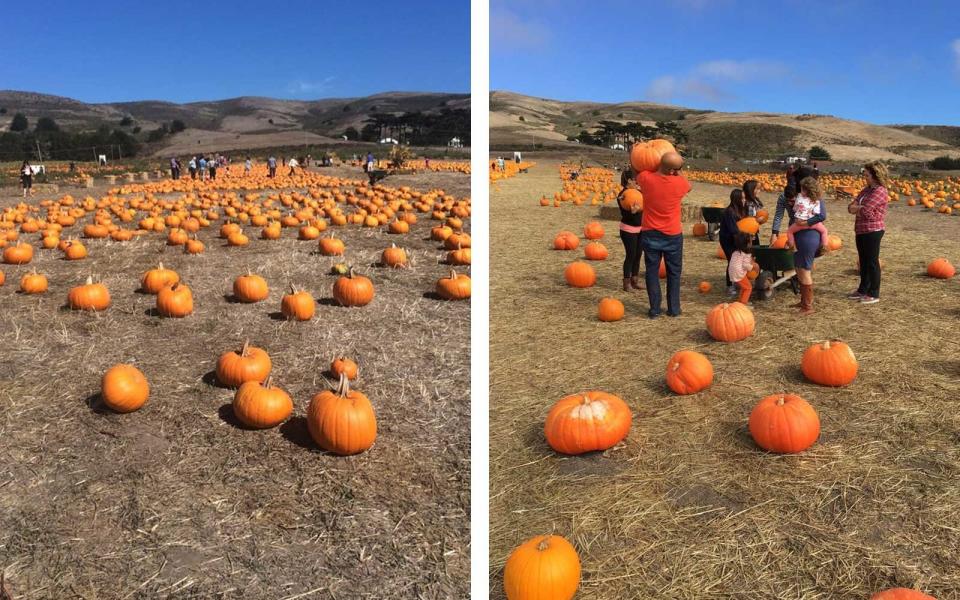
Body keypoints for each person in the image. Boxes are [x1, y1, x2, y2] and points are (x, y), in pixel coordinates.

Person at [638, 151, 691, 318]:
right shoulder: (680, 183)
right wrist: (677, 171)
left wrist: (658, 163)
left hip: (650, 233)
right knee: (674, 273)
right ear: (673, 170)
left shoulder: (646, 178)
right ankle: (673, 309)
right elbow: (688, 185)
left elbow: (637, 166)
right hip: (672, 235)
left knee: (652, 272)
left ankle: (654, 310)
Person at [847, 161, 889, 305]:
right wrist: (858, 207)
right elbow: (851, 207)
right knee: (863, 261)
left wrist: (858, 208)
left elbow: (866, 211)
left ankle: (874, 293)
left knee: (872, 262)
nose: (865, 177)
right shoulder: (866, 190)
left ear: (875, 175)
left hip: (873, 230)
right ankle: (862, 289)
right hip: (861, 229)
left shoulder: (880, 191)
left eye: (867, 175)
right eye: (864, 174)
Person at [791, 176, 827, 315]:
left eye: (802, 188)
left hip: (808, 238)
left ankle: (808, 306)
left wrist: (806, 223)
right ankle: (803, 300)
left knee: (805, 270)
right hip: (800, 237)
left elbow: (822, 216)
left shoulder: (818, 202)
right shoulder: (802, 199)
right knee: (799, 268)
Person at [616, 167, 644, 292]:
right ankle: (626, 283)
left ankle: (634, 281)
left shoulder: (638, 193)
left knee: (638, 255)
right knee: (631, 255)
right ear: (628, 180)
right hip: (628, 229)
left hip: (640, 229)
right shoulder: (623, 195)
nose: (637, 182)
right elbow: (625, 215)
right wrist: (632, 212)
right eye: (634, 180)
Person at [719, 189, 748, 296]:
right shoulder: (729, 212)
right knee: (732, 261)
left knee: (737, 261)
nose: (745, 200)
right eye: (742, 198)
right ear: (737, 199)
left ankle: (736, 282)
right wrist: (744, 236)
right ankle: (729, 286)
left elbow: (745, 224)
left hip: (737, 239)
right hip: (728, 240)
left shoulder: (742, 210)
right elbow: (733, 230)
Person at [786, 182, 828, 251]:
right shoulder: (816, 200)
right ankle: (824, 245)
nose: (800, 191)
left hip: (800, 223)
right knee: (824, 231)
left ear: (805, 191)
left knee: (789, 231)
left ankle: (791, 246)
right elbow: (817, 212)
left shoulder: (799, 198)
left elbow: (795, 209)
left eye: (802, 190)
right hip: (814, 224)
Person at [728, 232, 757, 306]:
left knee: (744, 287)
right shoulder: (746, 254)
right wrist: (753, 267)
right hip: (738, 273)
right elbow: (745, 265)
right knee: (748, 288)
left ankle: (740, 302)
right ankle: (743, 305)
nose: (751, 243)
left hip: (732, 272)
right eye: (750, 242)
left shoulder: (736, 252)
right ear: (747, 244)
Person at [742, 179, 763, 245]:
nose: (759, 191)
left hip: (753, 230)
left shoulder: (755, 201)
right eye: (757, 189)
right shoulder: (749, 204)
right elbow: (749, 220)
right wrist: (758, 220)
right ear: (750, 190)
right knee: (752, 250)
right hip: (748, 233)